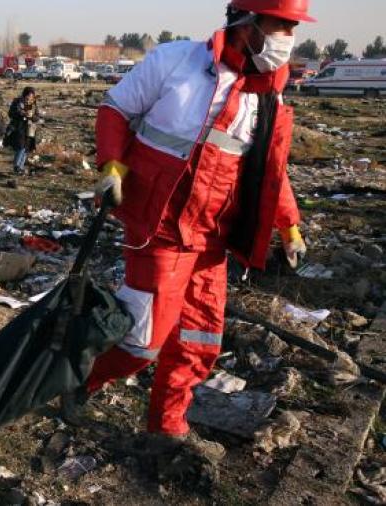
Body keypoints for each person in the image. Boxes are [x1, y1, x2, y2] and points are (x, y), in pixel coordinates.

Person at [61, 0, 313, 458]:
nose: (287, 40)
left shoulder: (267, 97)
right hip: (159, 227)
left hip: (212, 239)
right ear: (247, 23)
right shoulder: (176, 62)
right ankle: (80, 380)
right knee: (142, 341)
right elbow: (115, 108)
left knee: (199, 341)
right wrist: (112, 165)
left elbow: (271, 172)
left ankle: (166, 426)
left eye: (292, 29)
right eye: (281, 26)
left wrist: (289, 227)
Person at [7, 87, 39, 175]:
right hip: (19, 127)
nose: (30, 98)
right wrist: (22, 114)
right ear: (25, 95)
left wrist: (32, 116)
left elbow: (37, 117)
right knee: (20, 146)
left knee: (26, 148)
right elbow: (10, 114)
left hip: (30, 128)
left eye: (32, 96)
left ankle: (20, 167)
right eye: (28, 95)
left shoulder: (33, 104)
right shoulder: (17, 102)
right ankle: (16, 166)